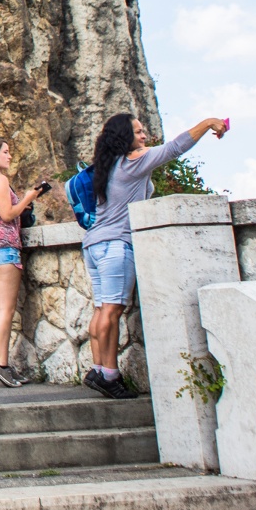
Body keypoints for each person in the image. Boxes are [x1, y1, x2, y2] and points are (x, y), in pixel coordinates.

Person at [80, 111, 229, 399]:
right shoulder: (133, 164)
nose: (144, 135)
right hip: (115, 245)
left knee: (101, 309)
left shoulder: (107, 166)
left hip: (94, 244)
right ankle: (110, 375)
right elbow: (175, 148)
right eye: (138, 132)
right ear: (125, 138)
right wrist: (209, 122)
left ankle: (98, 369)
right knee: (111, 311)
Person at [0, 136, 48, 388]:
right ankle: (2, 364)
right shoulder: (0, 180)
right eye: (5, 152)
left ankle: (0, 363)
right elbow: (7, 215)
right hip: (3, 249)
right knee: (5, 310)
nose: (9, 156)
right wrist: (28, 197)